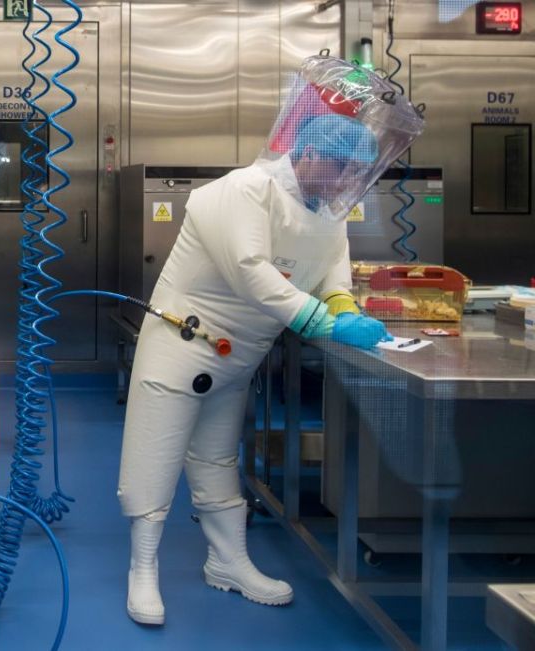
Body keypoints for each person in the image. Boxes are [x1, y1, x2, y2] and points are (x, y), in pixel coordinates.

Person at [118, 55, 425, 625]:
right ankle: (142, 571)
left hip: (239, 358)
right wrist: (322, 322)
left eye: (352, 175)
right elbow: (251, 272)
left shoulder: (327, 209)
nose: (344, 185)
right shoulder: (240, 192)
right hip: (180, 346)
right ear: (307, 153)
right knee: (153, 458)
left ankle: (227, 562)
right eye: (337, 170)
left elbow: (333, 270)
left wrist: (340, 305)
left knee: (216, 459)